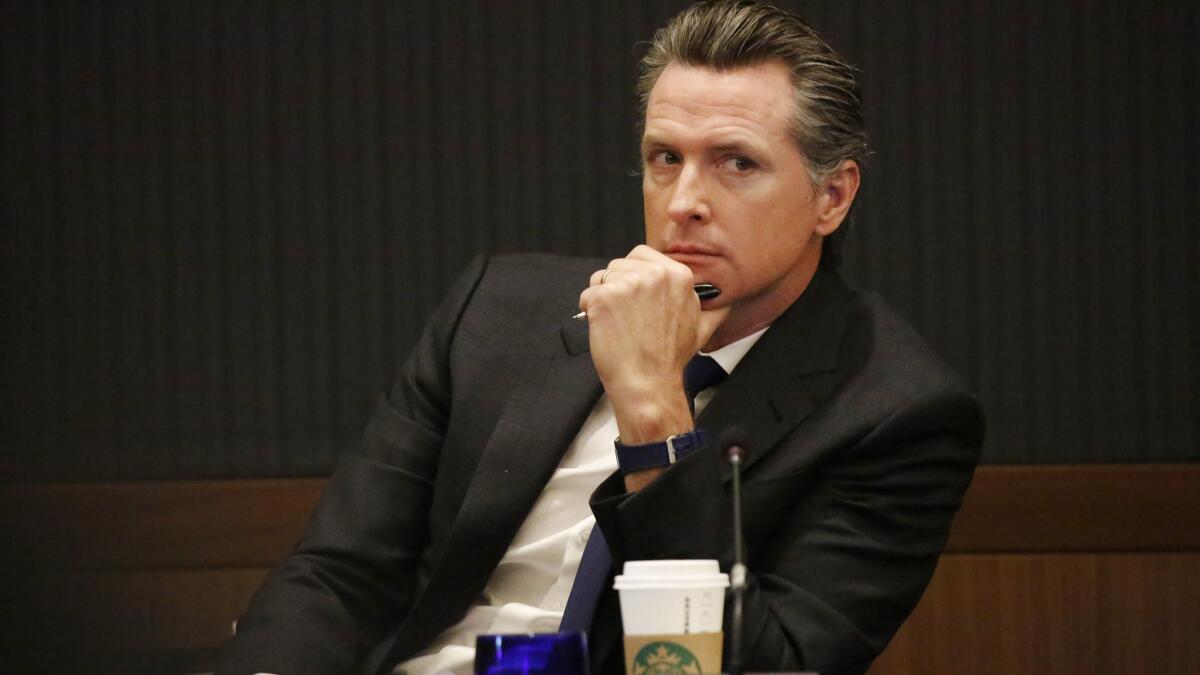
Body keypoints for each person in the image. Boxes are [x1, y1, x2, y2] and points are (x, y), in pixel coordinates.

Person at [217, 2, 984, 674]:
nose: (684, 201)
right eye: (665, 159)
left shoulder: (896, 412)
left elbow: (754, 661)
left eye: (736, 163)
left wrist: (654, 416)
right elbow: (340, 572)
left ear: (832, 196)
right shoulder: (497, 309)